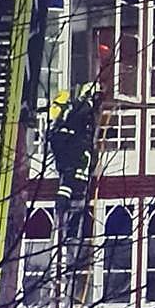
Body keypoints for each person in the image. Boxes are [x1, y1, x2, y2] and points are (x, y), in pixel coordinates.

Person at [47, 84, 101, 212]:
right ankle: (67, 199)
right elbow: (79, 122)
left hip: (62, 142)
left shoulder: (74, 107)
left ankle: (66, 200)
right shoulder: (83, 107)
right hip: (68, 142)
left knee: (69, 175)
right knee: (76, 167)